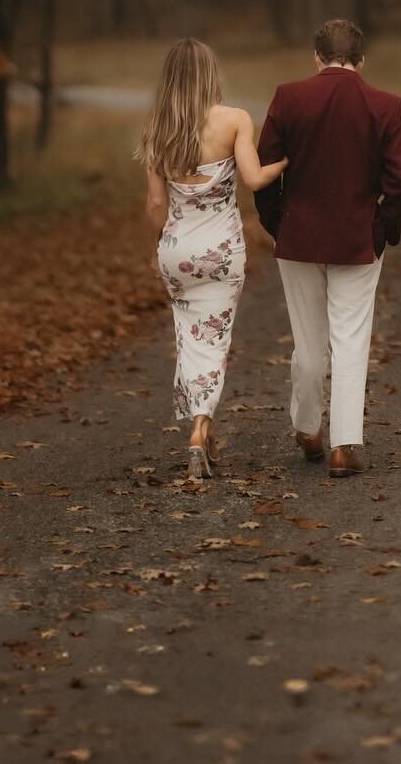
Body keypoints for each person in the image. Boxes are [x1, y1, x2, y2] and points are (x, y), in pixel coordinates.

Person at [256, 18, 401, 478]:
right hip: (358, 239)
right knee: (351, 338)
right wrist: (383, 225)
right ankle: (344, 444)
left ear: (317, 57)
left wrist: (277, 222)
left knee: (308, 343)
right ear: (361, 61)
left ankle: (307, 427)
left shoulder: (289, 97)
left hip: (299, 236)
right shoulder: (384, 105)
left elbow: (267, 170)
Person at [138, 38, 287, 480]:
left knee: (188, 336)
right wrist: (287, 163)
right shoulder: (235, 120)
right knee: (213, 340)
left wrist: (159, 246)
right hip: (220, 250)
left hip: (177, 249)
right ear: (210, 74)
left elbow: (154, 204)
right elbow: (255, 178)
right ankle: (201, 427)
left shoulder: (156, 129)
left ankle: (201, 422)